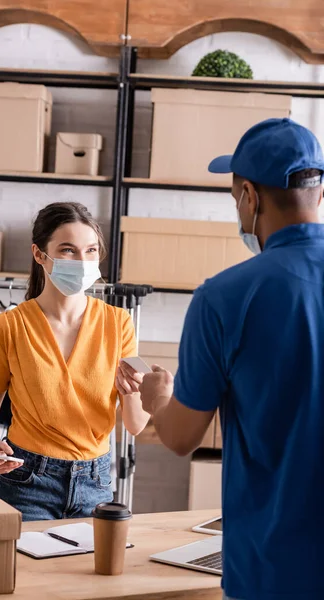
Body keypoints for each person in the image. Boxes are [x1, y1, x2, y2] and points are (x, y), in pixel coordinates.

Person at [138, 118, 324, 600]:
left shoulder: (224, 298)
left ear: (249, 197)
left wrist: (158, 396)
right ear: (319, 192)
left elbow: (180, 437)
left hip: (273, 573)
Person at [0, 202, 149, 521]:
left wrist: (140, 390)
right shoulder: (8, 327)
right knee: (22, 572)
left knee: (87, 571)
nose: (83, 261)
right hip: (25, 482)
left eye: (91, 250)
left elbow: (135, 424)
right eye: (68, 250)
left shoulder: (119, 323)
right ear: (40, 254)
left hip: (95, 483)